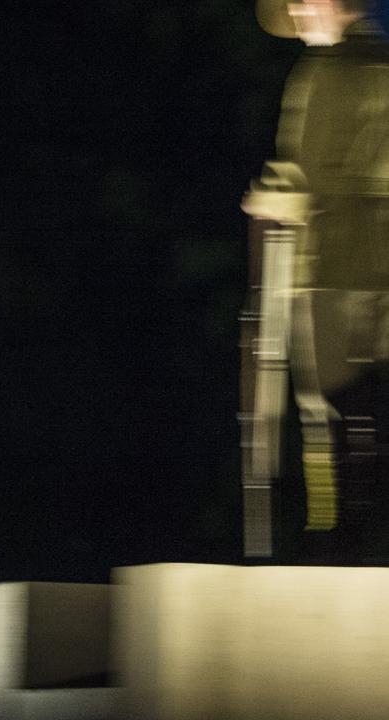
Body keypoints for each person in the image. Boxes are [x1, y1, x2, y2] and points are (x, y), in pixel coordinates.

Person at [246, 0, 389, 558]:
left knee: (326, 403)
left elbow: (314, 174)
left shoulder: (326, 72)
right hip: (377, 263)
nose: (299, 14)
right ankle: (362, 525)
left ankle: (338, 526)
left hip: (330, 264)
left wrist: (272, 197)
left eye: (306, 2)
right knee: (370, 401)